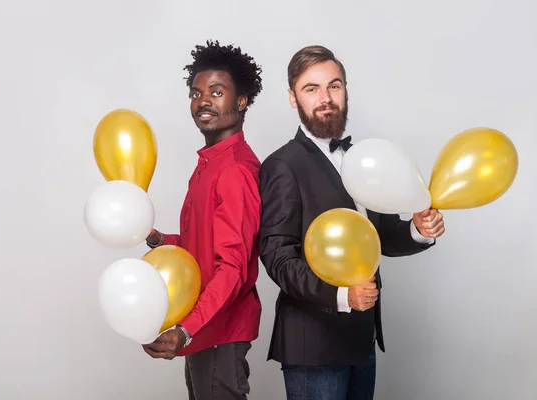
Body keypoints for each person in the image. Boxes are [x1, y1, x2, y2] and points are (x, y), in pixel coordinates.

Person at [258, 45, 445, 400]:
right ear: (292, 98)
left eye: (334, 85)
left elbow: (380, 237)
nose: (326, 98)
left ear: (345, 90)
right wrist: (342, 296)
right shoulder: (282, 165)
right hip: (313, 347)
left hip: (362, 340)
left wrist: (418, 230)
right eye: (311, 89)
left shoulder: (364, 159)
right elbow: (278, 257)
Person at [142, 40, 264, 400]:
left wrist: (186, 329)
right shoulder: (210, 164)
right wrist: (160, 240)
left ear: (241, 101)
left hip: (218, 331)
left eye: (216, 92)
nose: (203, 101)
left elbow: (232, 267)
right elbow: (203, 246)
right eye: (196, 93)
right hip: (204, 330)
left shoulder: (236, 170)